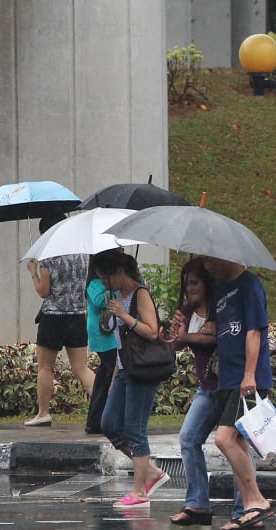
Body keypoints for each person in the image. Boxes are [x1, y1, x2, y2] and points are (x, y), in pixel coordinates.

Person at [203, 257, 275, 530]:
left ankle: (257, 499)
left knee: (224, 440)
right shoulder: (220, 287)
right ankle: (248, 509)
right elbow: (214, 329)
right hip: (226, 377)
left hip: (246, 378)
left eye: (211, 261)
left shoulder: (250, 285)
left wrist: (249, 374)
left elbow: (254, 332)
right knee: (240, 444)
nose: (207, 267)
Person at [97, 250, 170, 508]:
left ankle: (139, 492)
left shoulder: (140, 294)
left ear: (118, 272)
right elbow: (120, 342)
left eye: (105, 279)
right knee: (109, 424)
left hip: (142, 370)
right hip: (124, 370)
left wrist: (125, 316)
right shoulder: (118, 297)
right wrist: (115, 375)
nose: (104, 285)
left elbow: (151, 332)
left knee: (134, 430)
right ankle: (150, 471)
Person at [24, 214, 95, 427]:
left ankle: (43, 413)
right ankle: (104, 406)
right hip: (77, 316)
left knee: (45, 367)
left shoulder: (49, 257)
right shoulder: (83, 254)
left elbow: (44, 292)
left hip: (53, 318)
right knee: (81, 367)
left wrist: (33, 273)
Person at [167, 258, 221, 526]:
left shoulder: (219, 307)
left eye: (195, 283)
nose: (190, 289)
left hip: (228, 386)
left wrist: (187, 336)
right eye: (187, 284)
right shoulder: (188, 310)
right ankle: (198, 503)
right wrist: (177, 331)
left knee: (237, 445)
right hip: (206, 387)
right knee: (188, 438)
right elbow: (175, 345)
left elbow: (214, 338)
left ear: (207, 282)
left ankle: (246, 506)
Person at [84, 255, 119, 434]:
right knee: (113, 374)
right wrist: (119, 290)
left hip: (113, 334)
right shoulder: (94, 283)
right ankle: (104, 419)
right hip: (104, 336)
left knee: (104, 377)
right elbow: (100, 300)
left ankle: (95, 420)